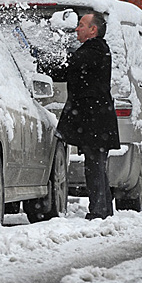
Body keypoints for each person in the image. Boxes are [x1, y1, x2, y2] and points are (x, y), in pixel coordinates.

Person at [39, 12, 120, 220]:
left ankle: (99, 211)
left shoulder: (94, 50)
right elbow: (70, 69)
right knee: (97, 165)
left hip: (95, 119)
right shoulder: (96, 50)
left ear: (93, 30)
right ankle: (104, 210)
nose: (77, 29)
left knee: (94, 166)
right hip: (96, 118)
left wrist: (40, 61)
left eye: (82, 25)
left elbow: (67, 67)